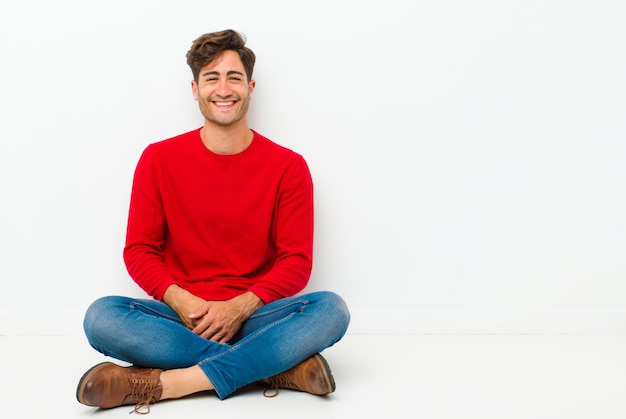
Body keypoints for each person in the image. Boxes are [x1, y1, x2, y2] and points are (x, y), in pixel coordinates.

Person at [76, 29, 350, 414]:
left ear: (251, 86)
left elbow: (296, 261)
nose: (224, 89)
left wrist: (239, 306)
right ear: (195, 88)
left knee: (332, 310)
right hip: (181, 316)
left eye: (234, 77)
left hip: (255, 316)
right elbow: (139, 250)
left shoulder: (288, 167)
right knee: (101, 317)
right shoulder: (158, 159)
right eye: (212, 78)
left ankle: (170, 384)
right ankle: (274, 369)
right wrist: (181, 299)